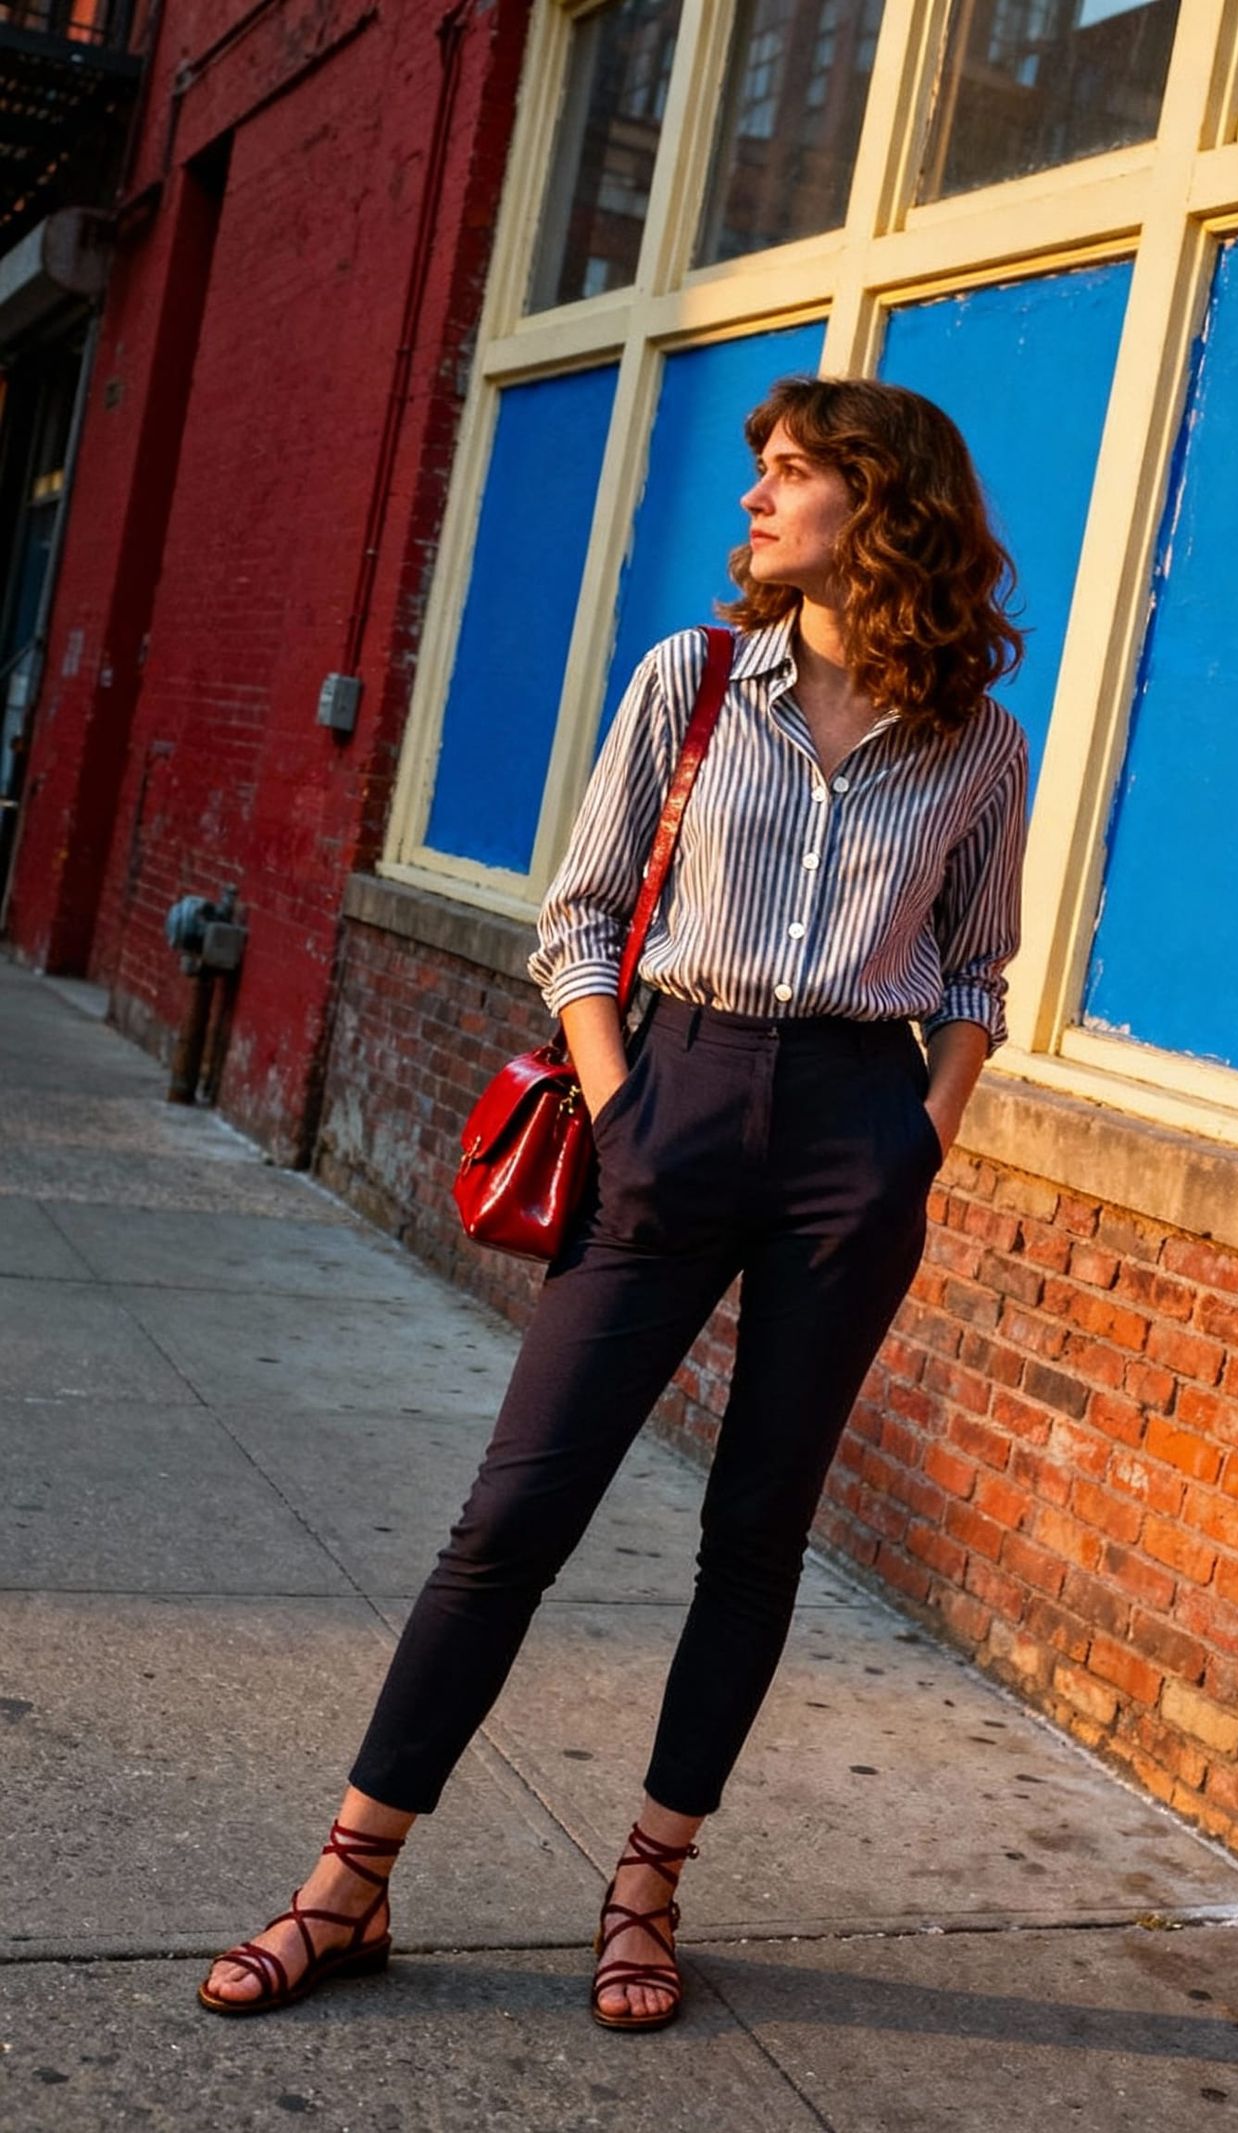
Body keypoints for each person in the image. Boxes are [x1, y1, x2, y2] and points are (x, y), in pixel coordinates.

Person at [198, 374, 1028, 2031]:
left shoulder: (978, 743)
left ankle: (648, 1881)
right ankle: (348, 1879)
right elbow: (579, 917)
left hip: (855, 1134)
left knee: (758, 1529)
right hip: (678, 1090)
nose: (755, 498)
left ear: (880, 505)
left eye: (789, 473)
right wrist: (624, 1100)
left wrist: (918, 1141)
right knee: (513, 1513)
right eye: (762, 472)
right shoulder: (692, 680)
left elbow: (976, 972)